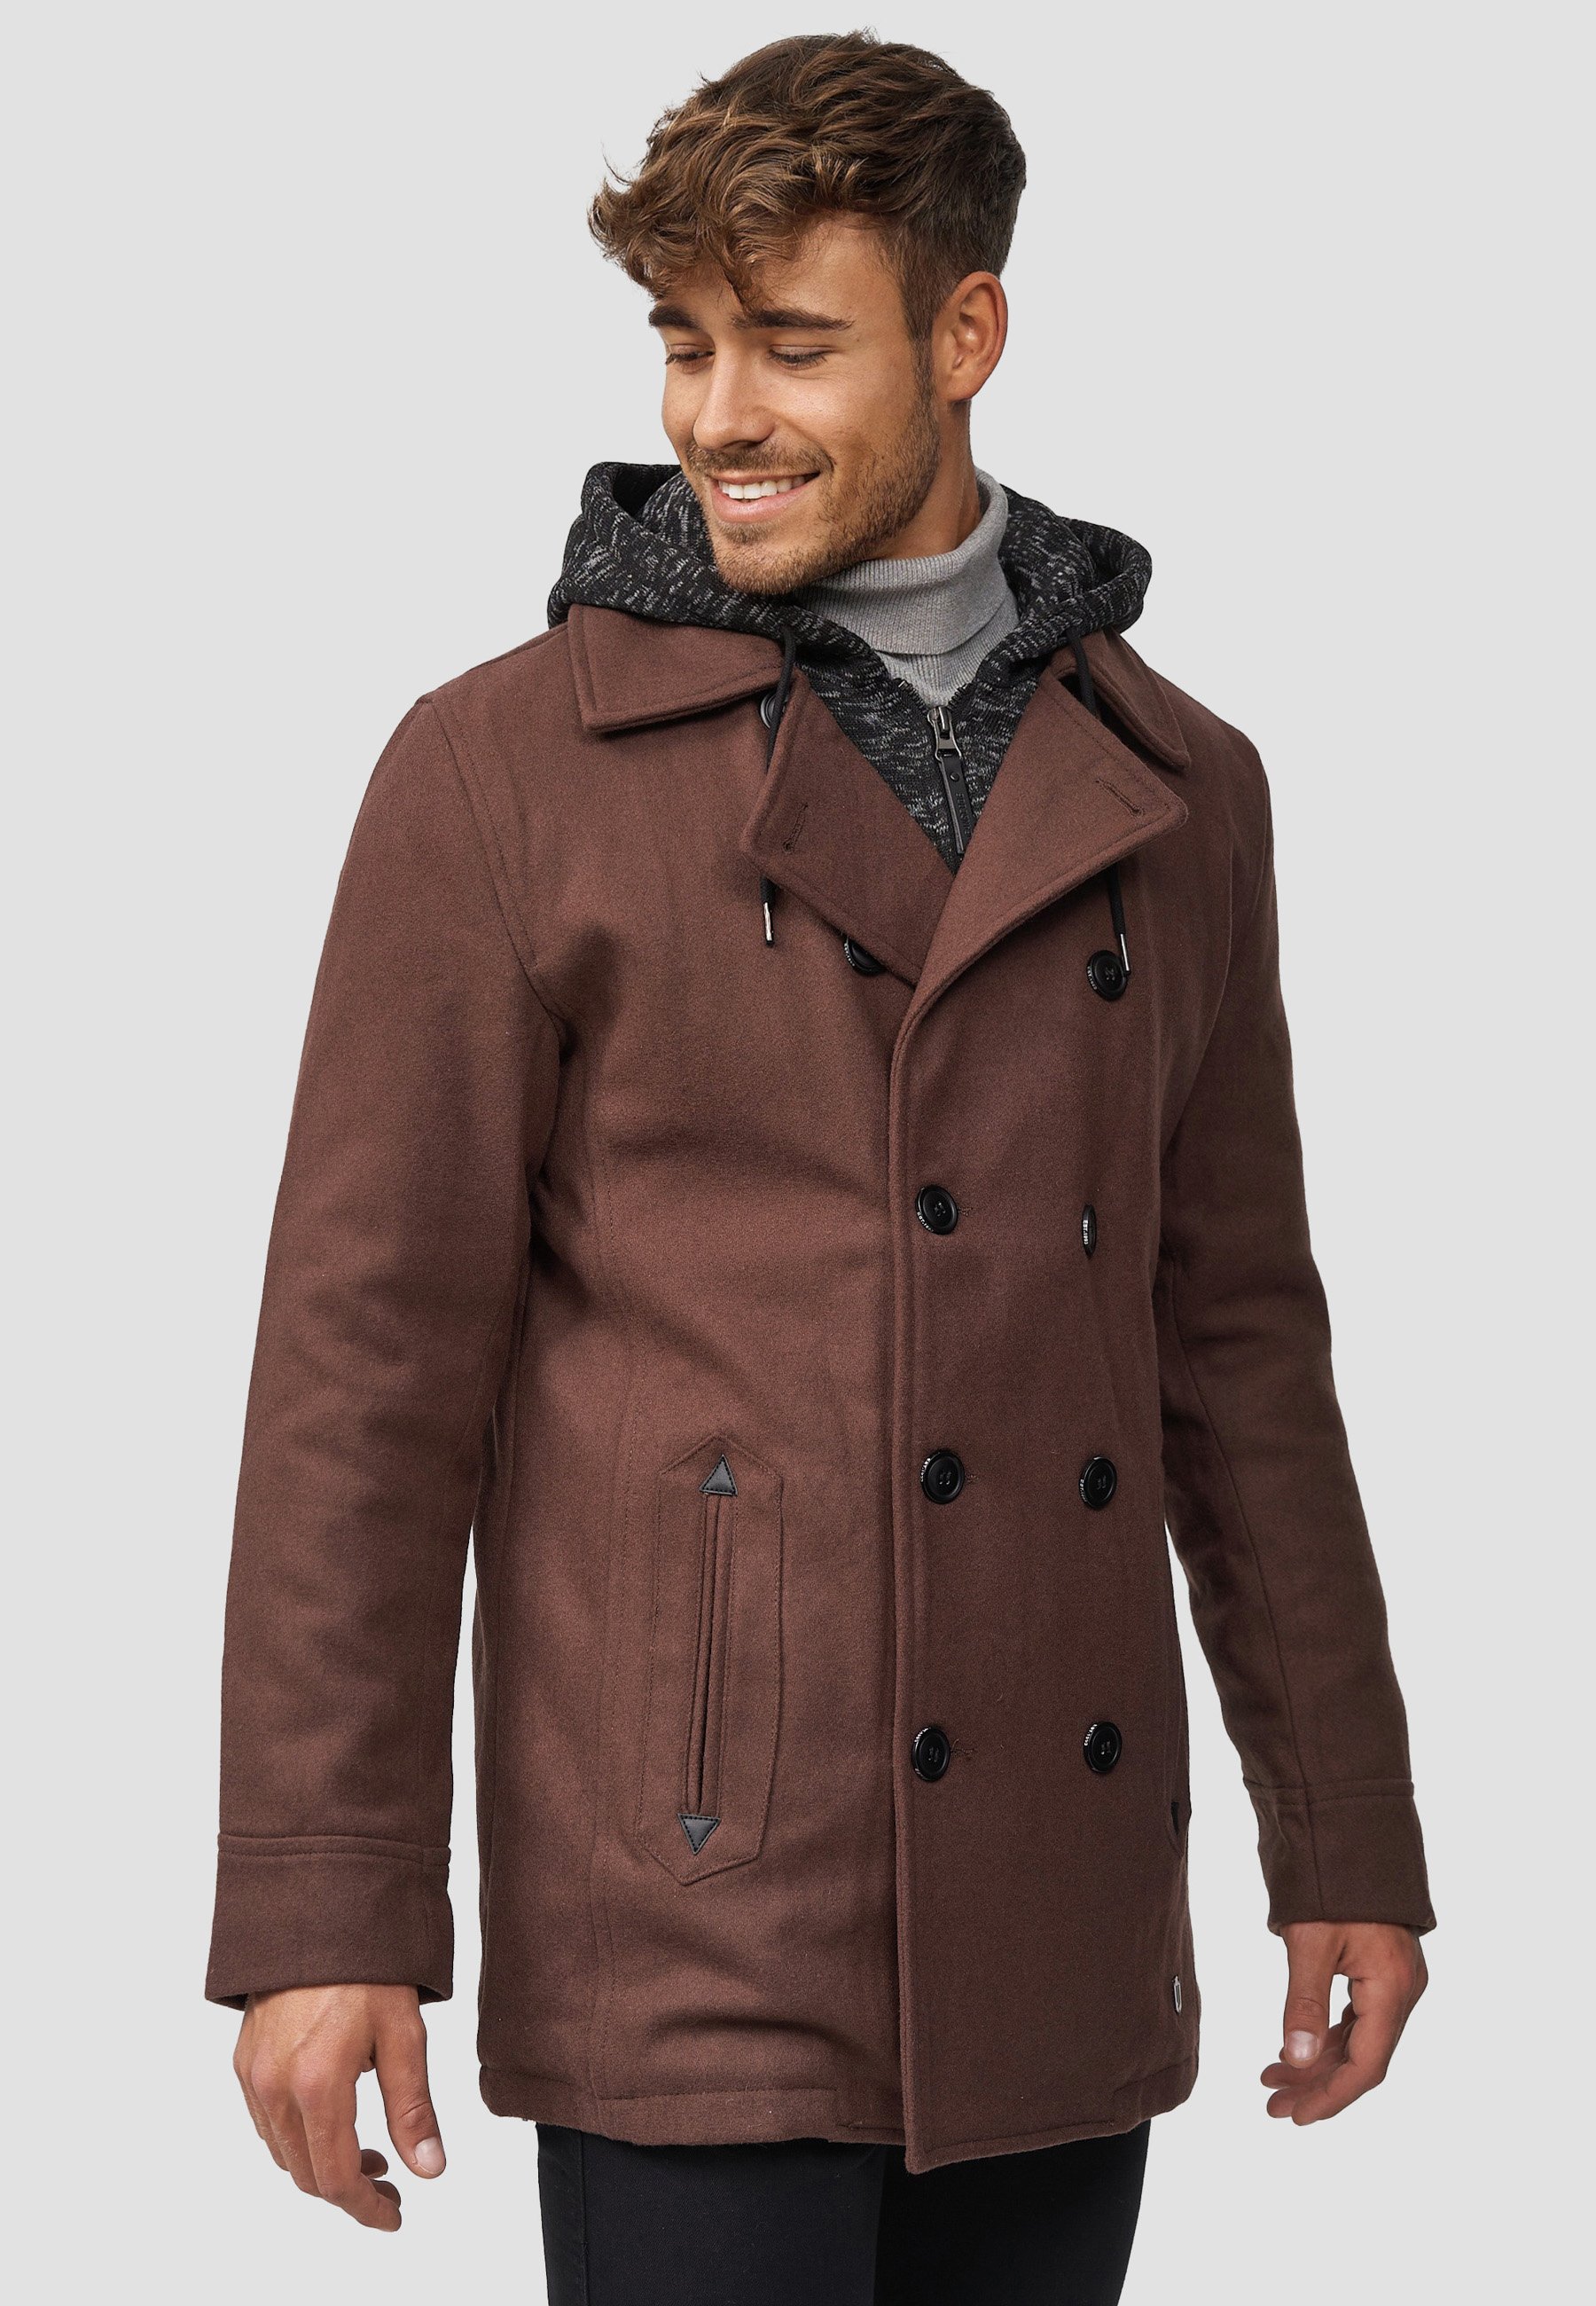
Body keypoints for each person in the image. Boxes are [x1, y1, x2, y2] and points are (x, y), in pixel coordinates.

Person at [207, 32, 1434, 2304]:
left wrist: (1342, 1828)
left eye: (790, 342)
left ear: (968, 334)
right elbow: (365, 1379)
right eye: (684, 342)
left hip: (1062, 1891)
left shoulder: (1182, 786)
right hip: (695, 1883)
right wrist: (321, 1904)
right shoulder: (503, 771)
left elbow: (1239, 1344)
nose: (718, 414)